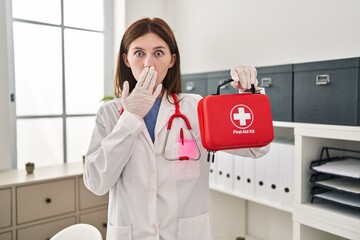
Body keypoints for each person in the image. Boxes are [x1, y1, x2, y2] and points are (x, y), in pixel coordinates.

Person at [83, 17, 270, 240]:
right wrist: (130, 118)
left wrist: (249, 99)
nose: (149, 63)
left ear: (172, 60)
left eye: (159, 53)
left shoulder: (195, 108)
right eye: (139, 53)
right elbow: (96, 182)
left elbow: (256, 148)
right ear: (126, 59)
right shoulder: (111, 114)